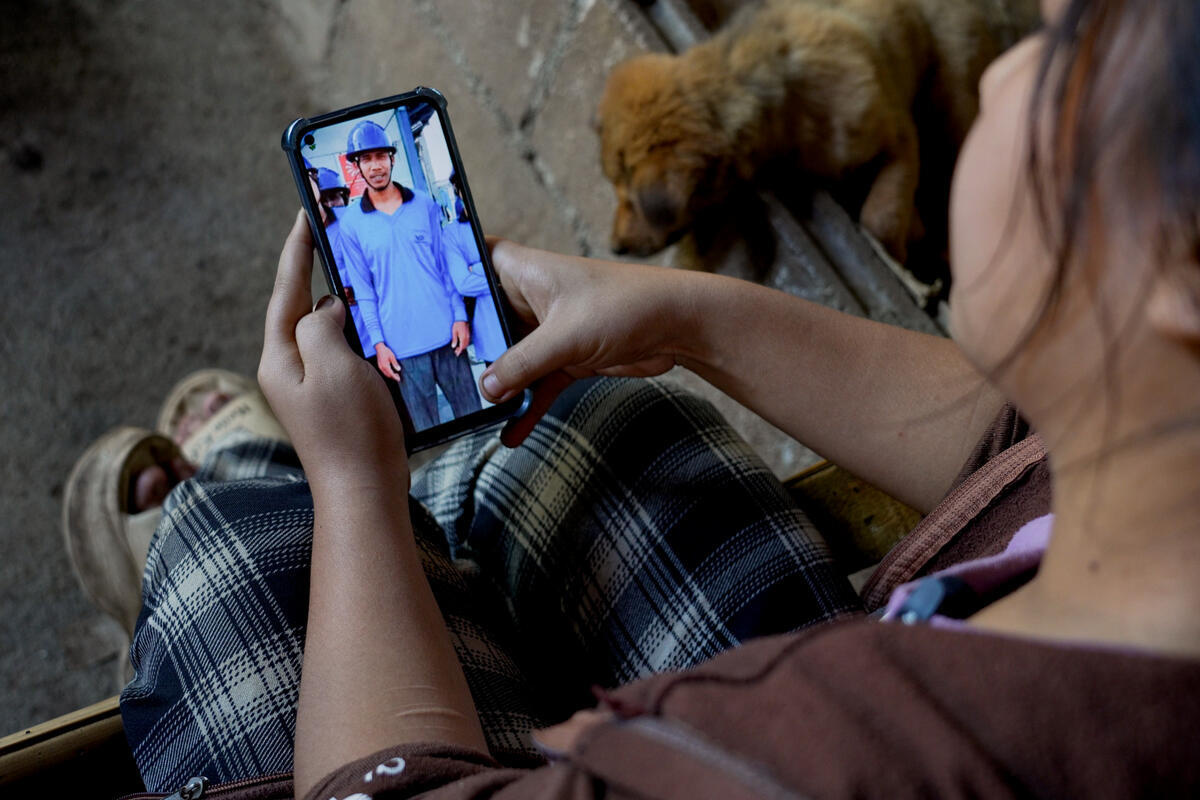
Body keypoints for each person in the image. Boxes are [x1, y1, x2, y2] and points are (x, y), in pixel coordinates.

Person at [62, 0, 1200, 796]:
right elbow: (1028, 458)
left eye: (1059, 48)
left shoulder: (876, 757)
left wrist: (354, 485)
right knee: (607, 414)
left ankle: (257, 490)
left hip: (766, 717)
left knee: (247, 548)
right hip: (826, 672)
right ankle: (419, 508)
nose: (1001, 67)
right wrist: (684, 317)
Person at [338, 119, 481, 430]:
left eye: (380, 156)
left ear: (392, 158)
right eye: (366, 159)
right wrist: (379, 344)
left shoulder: (424, 204)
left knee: (476, 420)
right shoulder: (352, 224)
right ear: (357, 167)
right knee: (429, 432)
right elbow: (364, 291)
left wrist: (460, 317)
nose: (375, 166)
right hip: (401, 351)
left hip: (448, 336)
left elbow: (444, 267)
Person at [444, 170, 506, 365]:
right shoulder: (452, 233)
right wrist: (501, 277)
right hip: (493, 342)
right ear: (457, 191)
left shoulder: (502, 218)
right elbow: (464, 284)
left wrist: (477, 269)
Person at [312, 166, 371, 359]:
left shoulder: (355, 222)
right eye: (323, 199)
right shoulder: (313, 236)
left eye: (333, 197)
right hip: (346, 331)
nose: (329, 204)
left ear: (344, 196)